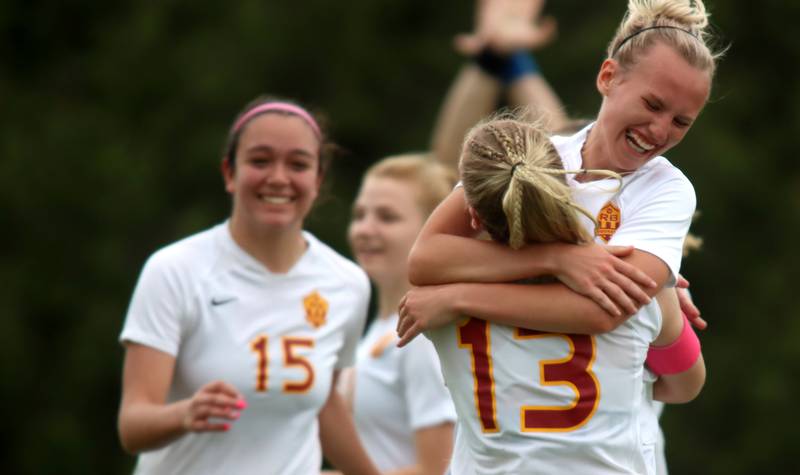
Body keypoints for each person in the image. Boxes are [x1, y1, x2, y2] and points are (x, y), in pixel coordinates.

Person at [396, 0, 722, 472]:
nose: (660, 129)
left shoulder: (666, 189)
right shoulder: (527, 159)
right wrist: (557, 261)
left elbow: (604, 310)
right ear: (608, 77)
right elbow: (423, 259)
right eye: (652, 104)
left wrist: (462, 295)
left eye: (681, 122)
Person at [117, 97, 380, 475]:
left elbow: (324, 405)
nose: (278, 178)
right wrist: (185, 413)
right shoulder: (174, 270)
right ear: (229, 173)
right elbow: (133, 426)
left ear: (318, 179)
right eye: (260, 161)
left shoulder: (347, 283)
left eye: (298, 164)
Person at [337, 155, 458, 475]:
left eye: (386, 217)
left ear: (431, 229)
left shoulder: (421, 332)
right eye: (359, 214)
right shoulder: (381, 326)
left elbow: (439, 469)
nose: (365, 229)